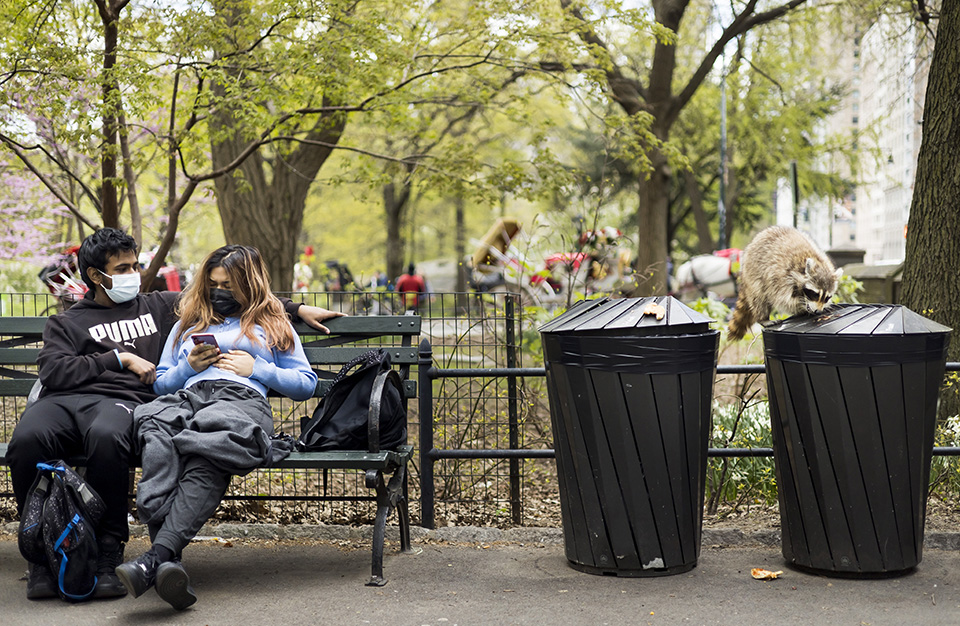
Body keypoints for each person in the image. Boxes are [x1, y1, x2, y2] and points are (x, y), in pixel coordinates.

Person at [7, 228, 340, 602]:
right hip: (116, 401)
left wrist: (289, 317)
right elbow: (65, 373)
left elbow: (249, 295)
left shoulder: (160, 304)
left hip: (174, 403)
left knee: (148, 441)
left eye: (135, 265)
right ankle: (45, 554)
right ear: (96, 275)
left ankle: (127, 553)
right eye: (124, 268)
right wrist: (148, 362)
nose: (134, 273)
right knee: (42, 440)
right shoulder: (76, 320)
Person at [115, 245, 318, 610]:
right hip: (187, 399)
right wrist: (188, 368)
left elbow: (306, 384)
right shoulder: (187, 324)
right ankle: (166, 564)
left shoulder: (272, 323)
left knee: (209, 449)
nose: (219, 291)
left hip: (239, 402)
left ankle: (154, 559)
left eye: (228, 285)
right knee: (157, 431)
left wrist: (257, 369)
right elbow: (161, 384)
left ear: (249, 284)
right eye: (213, 284)